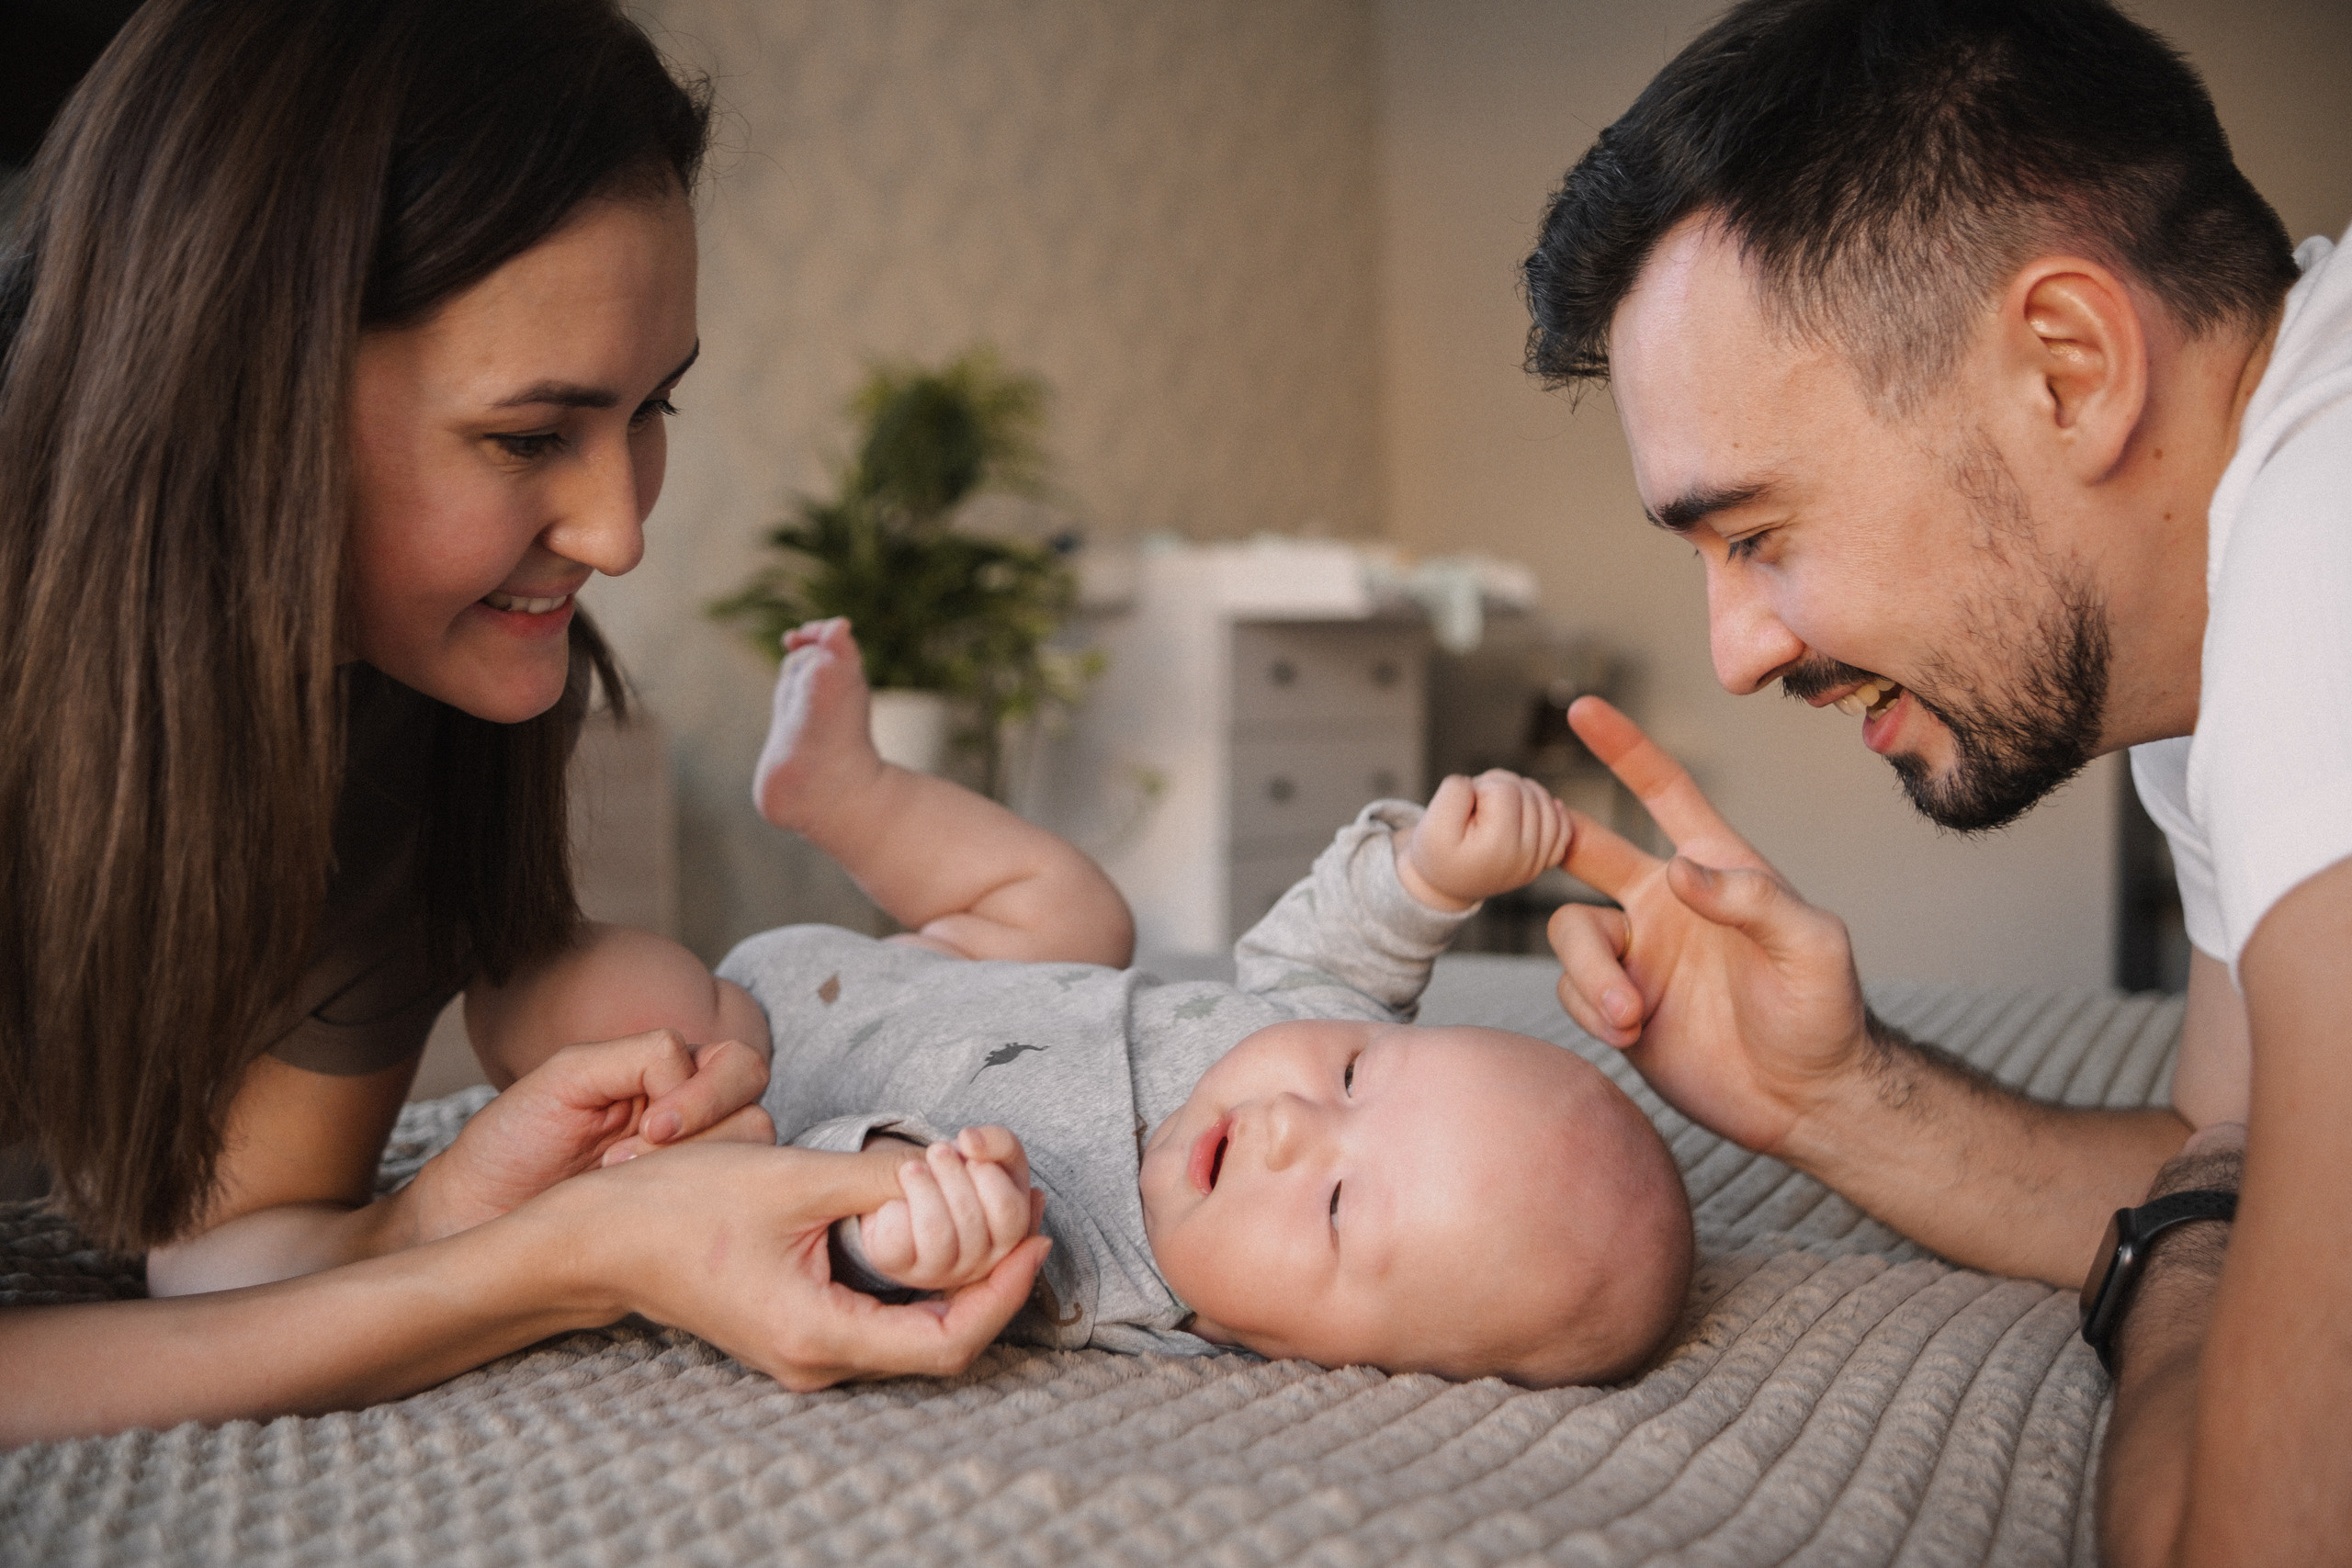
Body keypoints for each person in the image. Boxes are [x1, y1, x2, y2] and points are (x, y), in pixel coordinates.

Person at [0, 0, 1043, 1447]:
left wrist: (456, 1213)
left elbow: (230, 1248)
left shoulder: (410, 708)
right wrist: (558, 1268)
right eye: (528, 437)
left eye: (649, 410)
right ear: (236, 388)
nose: (618, 533)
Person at [1515, 0, 2347, 1559]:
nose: (1737, 655)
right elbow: (2220, 1153)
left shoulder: (2331, 550)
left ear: (2070, 366)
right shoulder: (2228, 601)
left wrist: (2191, 1265)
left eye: (1758, 535)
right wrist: (1827, 1097)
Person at [491, 619, 1694, 1385]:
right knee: (1081, 910)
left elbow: (823, 1244)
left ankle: (479, 947)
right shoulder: (1290, 1039)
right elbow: (1346, 949)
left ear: (1330, 1356)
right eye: (1356, 1078)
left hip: (756, 1059)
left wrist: (895, 1243)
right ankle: (844, 792)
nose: (1292, 1124)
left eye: (1333, 1207)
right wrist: (1431, 870)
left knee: (609, 1015)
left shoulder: (1093, 1272)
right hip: (958, 958)